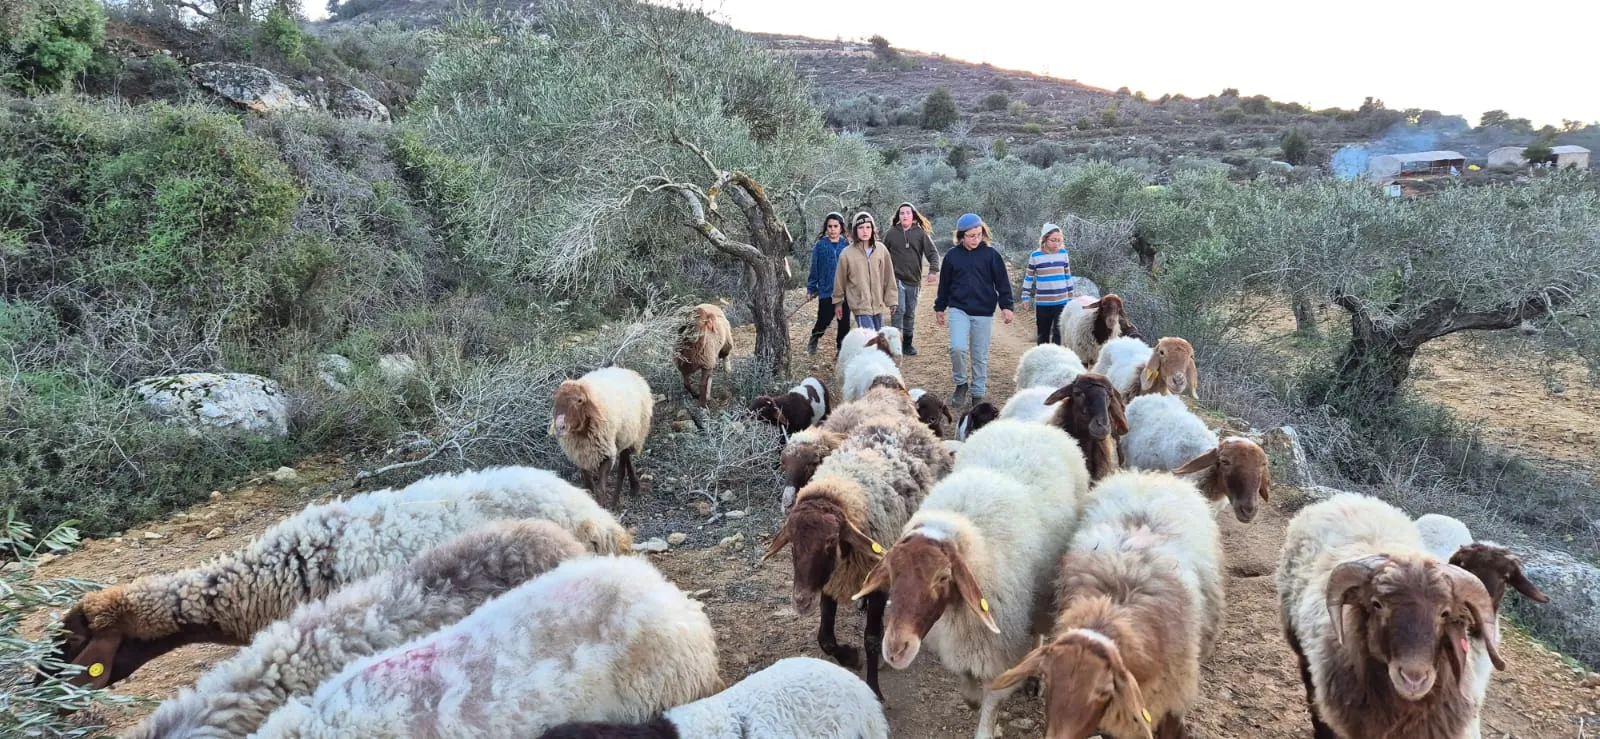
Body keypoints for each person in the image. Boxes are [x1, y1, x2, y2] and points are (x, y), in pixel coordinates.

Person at [933, 213, 1014, 407]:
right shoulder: (952, 256)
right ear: (961, 236)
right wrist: (940, 307)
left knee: (979, 355)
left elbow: (1002, 283)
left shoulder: (991, 255)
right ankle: (961, 384)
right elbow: (944, 285)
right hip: (959, 309)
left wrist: (1006, 306)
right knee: (957, 348)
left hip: (983, 311)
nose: (975, 239)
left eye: (978, 234)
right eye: (971, 236)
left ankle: (978, 392)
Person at [883, 202, 940, 356]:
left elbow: (933, 254)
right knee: (898, 310)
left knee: (909, 313)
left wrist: (933, 270)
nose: (905, 216)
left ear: (913, 215)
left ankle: (907, 343)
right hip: (895, 279)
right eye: (902, 213)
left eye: (908, 213)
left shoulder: (920, 234)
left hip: (913, 280)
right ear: (898, 216)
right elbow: (882, 254)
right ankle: (893, 346)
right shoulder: (891, 233)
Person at [833, 211, 897, 332]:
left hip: (878, 304)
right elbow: (839, 281)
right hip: (860, 305)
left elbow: (889, 277)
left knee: (878, 338)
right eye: (861, 227)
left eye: (868, 227)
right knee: (871, 339)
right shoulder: (846, 254)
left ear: (873, 229)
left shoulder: (881, 250)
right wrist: (838, 303)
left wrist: (892, 300)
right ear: (855, 230)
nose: (865, 231)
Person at [1019, 222, 1076, 345]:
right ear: (1044, 239)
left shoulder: (1063, 254)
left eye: (1059, 240)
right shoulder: (1035, 256)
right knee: (1042, 334)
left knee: (1059, 334)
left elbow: (1067, 276)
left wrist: (1071, 298)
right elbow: (1029, 278)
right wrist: (1025, 296)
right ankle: (1042, 360)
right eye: (1053, 240)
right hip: (1043, 303)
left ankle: (1055, 361)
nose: (1056, 244)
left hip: (1062, 301)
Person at [805, 211, 852, 355]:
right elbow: (815, 268)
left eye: (835, 226)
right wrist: (811, 288)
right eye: (830, 226)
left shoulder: (847, 245)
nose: (832, 229)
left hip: (844, 292)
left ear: (841, 228)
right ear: (826, 227)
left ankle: (841, 350)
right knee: (823, 320)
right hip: (826, 290)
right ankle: (815, 337)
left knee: (844, 323)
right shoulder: (820, 245)